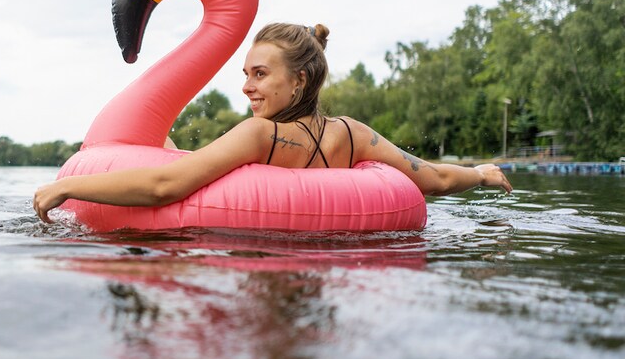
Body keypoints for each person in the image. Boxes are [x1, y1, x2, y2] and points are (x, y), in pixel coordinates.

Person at [34, 23, 511, 223]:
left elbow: (165, 186)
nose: (246, 87)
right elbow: (436, 178)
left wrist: (70, 189)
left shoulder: (261, 134)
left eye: (260, 74)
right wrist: (483, 175)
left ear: (299, 79)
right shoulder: (352, 133)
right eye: (245, 75)